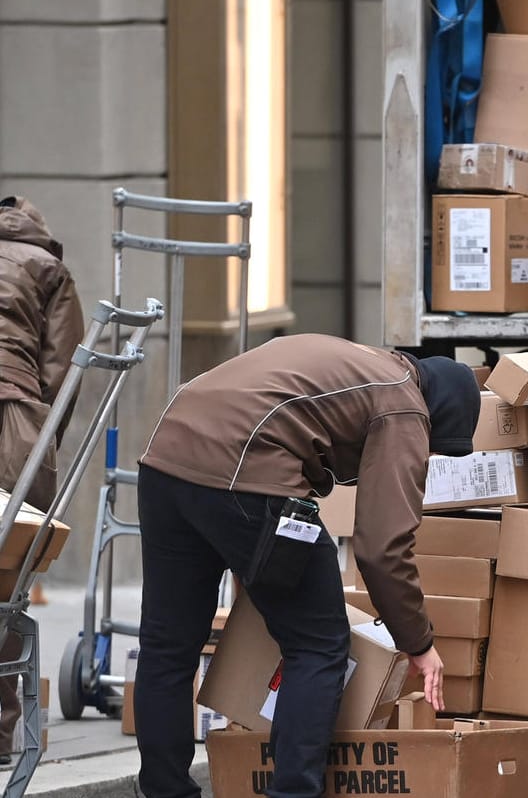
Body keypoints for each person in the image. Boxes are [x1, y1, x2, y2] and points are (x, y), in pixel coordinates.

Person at [132, 334, 480, 798]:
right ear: (437, 415)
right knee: (317, 643)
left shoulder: (362, 363)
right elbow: (381, 548)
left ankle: (163, 790)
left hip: (165, 460)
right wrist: (418, 642)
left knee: (166, 645)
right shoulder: (405, 404)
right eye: (432, 449)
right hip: (245, 471)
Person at [0, 196, 84, 764]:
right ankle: (3, 730)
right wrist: (43, 434)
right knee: (8, 575)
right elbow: (63, 370)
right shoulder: (49, 267)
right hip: (17, 423)